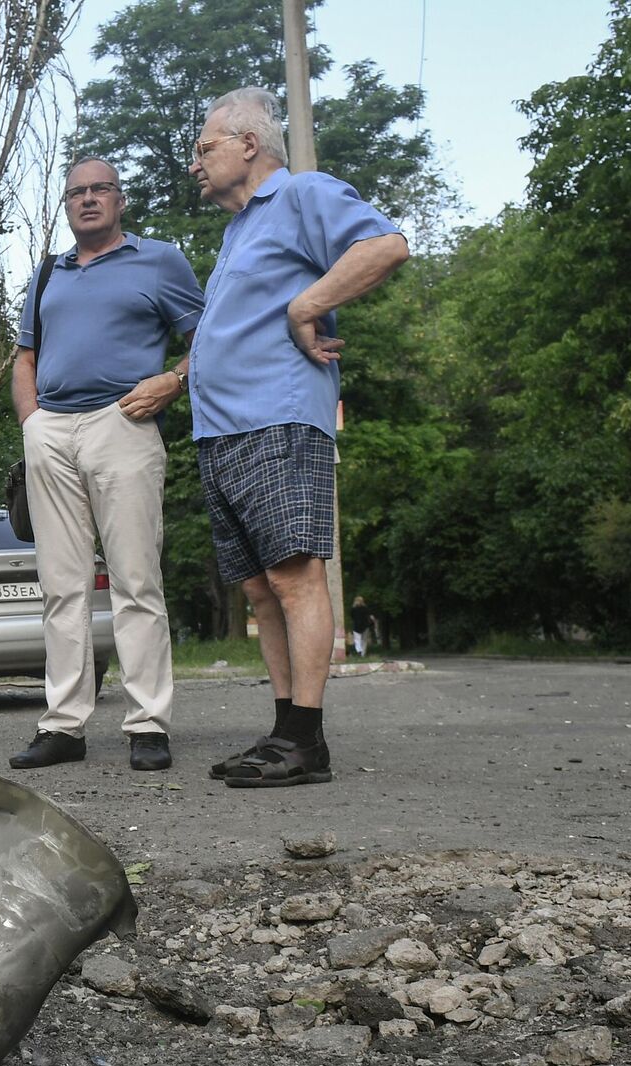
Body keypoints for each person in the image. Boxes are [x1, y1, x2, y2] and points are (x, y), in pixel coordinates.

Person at [187, 88, 409, 788]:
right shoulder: (235, 232)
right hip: (222, 431)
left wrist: (309, 302)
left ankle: (307, 741)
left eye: (205, 147)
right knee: (259, 589)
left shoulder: (302, 194)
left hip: (276, 417)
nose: (195, 163)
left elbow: (387, 244)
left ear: (249, 144)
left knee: (294, 575)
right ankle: (283, 732)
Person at [6, 156, 205, 774]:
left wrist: (173, 381)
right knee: (61, 587)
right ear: (66, 206)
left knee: (135, 580)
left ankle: (148, 723)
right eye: (76, 193)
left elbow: (211, 335)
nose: (88, 200)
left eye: (100, 190)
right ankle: (63, 725)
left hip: (125, 424)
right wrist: (32, 423)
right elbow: (23, 359)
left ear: (120, 200)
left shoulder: (160, 261)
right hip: (52, 433)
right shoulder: (46, 274)